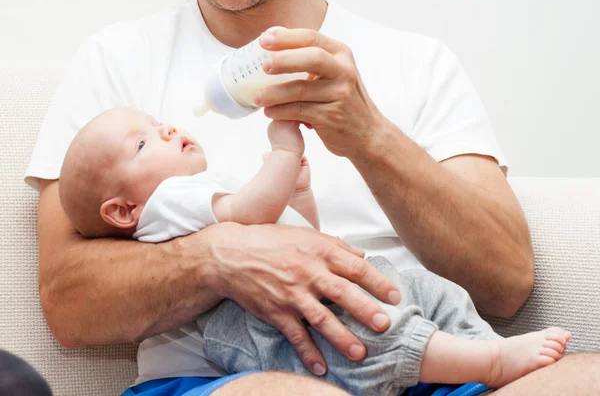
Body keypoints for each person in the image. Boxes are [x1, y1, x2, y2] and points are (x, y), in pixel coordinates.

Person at [25, 0, 600, 394]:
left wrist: (369, 136)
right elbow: (67, 302)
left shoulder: (416, 64)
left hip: (434, 365)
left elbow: (507, 282)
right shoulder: (116, 62)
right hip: (230, 376)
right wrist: (222, 258)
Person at [57, 105, 571, 395]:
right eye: (143, 144)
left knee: (432, 294)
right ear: (121, 212)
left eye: (155, 123)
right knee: (367, 328)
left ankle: (475, 356)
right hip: (235, 344)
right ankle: (488, 362)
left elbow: (301, 243)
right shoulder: (164, 206)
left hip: (291, 319)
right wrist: (284, 151)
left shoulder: (191, 194)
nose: (166, 129)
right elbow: (251, 212)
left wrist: (298, 197)